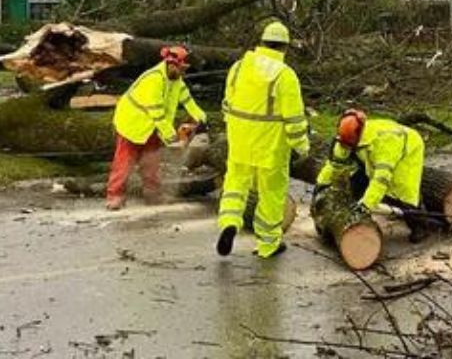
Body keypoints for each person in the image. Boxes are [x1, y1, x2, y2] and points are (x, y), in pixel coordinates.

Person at [215, 20, 309, 259]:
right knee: (272, 195)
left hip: (240, 141)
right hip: (271, 146)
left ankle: (229, 222)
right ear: (285, 48)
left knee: (235, 185)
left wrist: (235, 131)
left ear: (262, 42)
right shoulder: (285, 75)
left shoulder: (238, 67)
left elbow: (227, 105)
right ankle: (268, 244)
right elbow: (294, 119)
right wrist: (302, 146)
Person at [106, 45, 207, 210]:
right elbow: (157, 112)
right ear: (172, 65)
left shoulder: (176, 81)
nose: (183, 72)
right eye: (182, 68)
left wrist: (202, 118)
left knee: (152, 162)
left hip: (153, 126)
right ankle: (114, 196)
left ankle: (153, 195)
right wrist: (171, 136)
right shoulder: (153, 80)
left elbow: (188, 101)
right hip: (132, 123)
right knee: (124, 162)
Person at [316, 109, 431, 243]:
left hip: (408, 147)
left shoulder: (385, 142)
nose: (346, 148)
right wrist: (322, 182)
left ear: (359, 134)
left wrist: (367, 204)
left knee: (404, 190)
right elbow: (335, 164)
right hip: (373, 155)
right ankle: (355, 217)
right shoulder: (346, 138)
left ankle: (421, 226)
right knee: (357, 182)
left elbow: (381, 179)